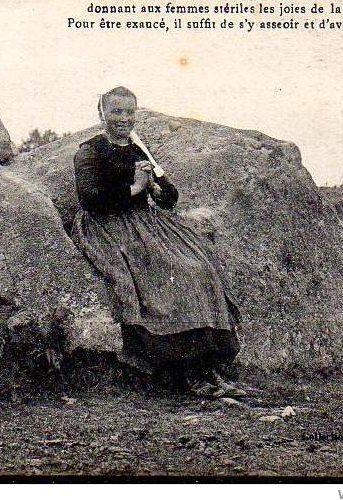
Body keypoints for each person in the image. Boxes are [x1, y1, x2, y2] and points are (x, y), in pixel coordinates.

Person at [71, 86, 244, 398]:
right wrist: (135, 188)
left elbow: (169, 196)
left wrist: (156, 189)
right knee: (173, 270)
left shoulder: (139, 149)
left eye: (129, 112)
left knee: (199, 267)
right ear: (102, 114)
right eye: (116, 111)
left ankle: (208, 367)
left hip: (145, 222)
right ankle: (188, 372)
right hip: (109, 225)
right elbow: (90, 200)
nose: (124, 119)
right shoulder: (90, 150)